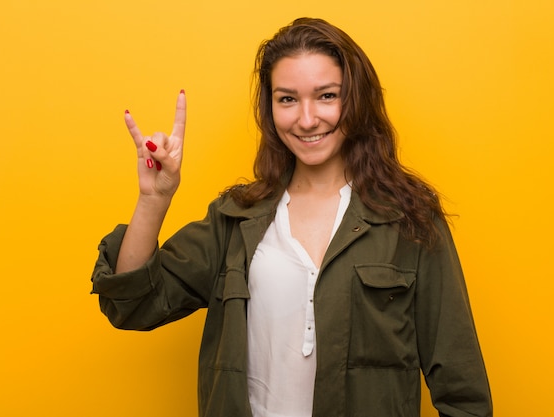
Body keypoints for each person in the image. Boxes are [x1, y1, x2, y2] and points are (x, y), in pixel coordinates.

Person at [91, 17, 493, 417]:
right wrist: (154, 199)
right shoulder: (236, 219)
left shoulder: (410, 220)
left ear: (356, 100)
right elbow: (133, 304)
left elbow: (462, 390)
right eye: (287, 99)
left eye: (326, 96)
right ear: (270, 109)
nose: (306, 119)